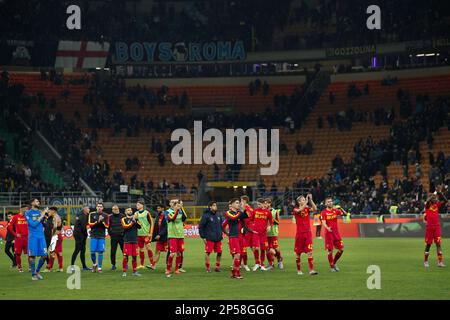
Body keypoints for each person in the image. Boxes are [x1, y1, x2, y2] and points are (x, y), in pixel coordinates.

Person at [222, 198, 252, 279]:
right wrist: (227, 233)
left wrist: (245, 208)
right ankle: (237, 273)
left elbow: (248, 215)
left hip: (241, 236)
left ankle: (233, 273)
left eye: (239, 203)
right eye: (236, 203)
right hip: (234, 236)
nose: (238, 204)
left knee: (239, 255)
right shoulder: (228, 213)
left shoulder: (239, 213)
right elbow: (233, 218)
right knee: (237, 254)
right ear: (231, 205)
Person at [293, 195, 318, 275]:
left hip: (308, 233)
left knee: (310, 252)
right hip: (300, 234)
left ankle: (311, 270)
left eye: (304, 199)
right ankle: (299, 270)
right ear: (299, 202)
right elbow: (300, 209)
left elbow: (315, 209)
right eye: (303, 200)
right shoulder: (296, 209)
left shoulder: (307, 208)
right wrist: (306, 202)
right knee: (298, 253)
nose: (304, 201)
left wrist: (310, 200)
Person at [423, 186, 448, 268]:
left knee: (438, 244)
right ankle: (426, 261)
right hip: (429, 227)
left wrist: (439, 193)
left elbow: (445, 201)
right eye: (433, 198)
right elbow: (428, 200)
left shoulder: (437, 205)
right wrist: (434, 193)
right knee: (428, 244)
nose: (435, 199)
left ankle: (440, 262)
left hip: (436, 227)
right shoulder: (427, 206)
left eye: (435, 198)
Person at [25, 199, 48, 280]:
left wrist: (46, 219)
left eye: (39, 201)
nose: (38, 202)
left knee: (44, 255)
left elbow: (44, 225)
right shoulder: (28, 213)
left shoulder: (40, 212)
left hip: (41, 236)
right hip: (33, 237)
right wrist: (41, 215)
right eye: (37, 201)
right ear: (32, 203)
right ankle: (33, 275)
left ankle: (37, 271)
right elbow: (33, 224)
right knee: (32, 256)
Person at [321, 197, 345, 272]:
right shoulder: (324, 212)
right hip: (329, 234)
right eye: (328, 202)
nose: (330, 203)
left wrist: (341, 208)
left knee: (341, 249)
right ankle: (331, 267)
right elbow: (323, 222)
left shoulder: (335, 210)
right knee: (330, 251)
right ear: (325, 204)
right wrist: (327, 228)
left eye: (331, 201)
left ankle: (334, 263)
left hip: (336, 233)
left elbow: (345, 214)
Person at [199, 201, 223, 273]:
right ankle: (208, 268)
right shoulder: (205, 216)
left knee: (219, 252)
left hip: (218, 237)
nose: (215, 206)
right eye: (214, 205)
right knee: (208, 252)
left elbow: (220, 226)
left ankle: (217, 267)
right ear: (210, 207)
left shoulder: (218, 215)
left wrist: (221, 235)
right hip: (209, 238)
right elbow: (201, 227)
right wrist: (203, 237)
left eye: (216, 205)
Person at [251, 198, 273, 271]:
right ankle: (257, 263)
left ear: (264, 204)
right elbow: (251, 220)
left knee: (263, 249)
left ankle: (262, 264)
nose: (258, 205)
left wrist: (270, 226)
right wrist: (252, 227)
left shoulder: (268, 212)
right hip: (256, 233)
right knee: (256, 248)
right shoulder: (255, 211)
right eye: (257, 204)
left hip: (263, 233)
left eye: (259, 204)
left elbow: (271, 221)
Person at [165, 200, 186, 277]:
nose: (178, 207)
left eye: (178, 205)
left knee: (179, 253)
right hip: (172, 235)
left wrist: (182, 208)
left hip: (180, 235)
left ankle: (177, 269)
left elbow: (184, 218)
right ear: (173, 206)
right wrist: (177, 211)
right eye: (176, 205)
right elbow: (172, 219)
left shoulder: (180, 212)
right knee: (172, 253)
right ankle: (168, 269)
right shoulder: (167, 212)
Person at [88, 202, 110, 273]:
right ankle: (95, 264)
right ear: (96, 207)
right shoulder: (92, 214)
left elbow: (107, 226)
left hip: (101, 236)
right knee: (92, 252)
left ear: (103, 208)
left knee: (101, 252)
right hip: (93, 235)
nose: (99, 207)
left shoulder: (106, 215)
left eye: (101, 206)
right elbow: (90, 224)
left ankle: (99, 268)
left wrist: (102, 220)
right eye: (98, 206)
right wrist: (98, 221)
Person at [8, 205, 29, 272]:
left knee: (30, 253)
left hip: (27, 238)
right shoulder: (15, 217)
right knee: (18, 253)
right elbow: (9, 226)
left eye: (27, 209)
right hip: (19, 238)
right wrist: (15, 234)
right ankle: (20, 267)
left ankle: (30, 267)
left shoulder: (27, 217)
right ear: (21, 209)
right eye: (25, 209)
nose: (26, 210)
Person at [121, 207, 142, 277]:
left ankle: (135, 271)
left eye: (130, 210)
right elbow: (125, 226)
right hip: (127, 240)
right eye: (128, 210)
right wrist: (132, 221)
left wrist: (135, 220)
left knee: (135, 256)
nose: (130, 211)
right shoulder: (123, 219)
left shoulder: (135, 219)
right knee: (125, 256)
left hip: (134, 240)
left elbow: (140, 226)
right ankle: (124, 271)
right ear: (125, 212)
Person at [135, 200, 155, 269]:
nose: (136, 206)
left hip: (146, 234)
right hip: (139, 234)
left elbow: (152, 223)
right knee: (141, 249)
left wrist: (150, 233)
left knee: (148, 247)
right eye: (136, 205)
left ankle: (152, 264)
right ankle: (142, 264)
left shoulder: (147, 213)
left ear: (142, 205)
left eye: (138, 205)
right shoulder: (136, 213)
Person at [70, 206, 90, 271]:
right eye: (88, 208)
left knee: (83, 250)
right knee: (77, 250)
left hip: (81, 235)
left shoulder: (83, 215)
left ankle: (84, 266)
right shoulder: (82, 215)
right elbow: (83, 226)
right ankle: (72, 266)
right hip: (79, 235)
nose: (89, 209)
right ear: (84, 209)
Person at [266, 198, 283, 270]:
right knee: (267, 249)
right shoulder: (263, 211)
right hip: (265, 233)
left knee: (276, 248)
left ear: (270, 204)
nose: (265, 204)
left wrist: (271, 220)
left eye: (267, 203)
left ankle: (279, 260)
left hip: (273, 232)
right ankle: (271, 264)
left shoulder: (274, 211)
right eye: (265, 203)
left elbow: (278, 222)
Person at [44, 207, 63, 272]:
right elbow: (61, 226)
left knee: (52, 252)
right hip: (59, 236)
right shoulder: (58, 216)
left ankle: (48, 268)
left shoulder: (55, 217)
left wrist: (53, 233)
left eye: (50, 211)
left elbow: (54, 226)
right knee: (59, 252)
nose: (49, 212)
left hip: (55, 236)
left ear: (53, 211)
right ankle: (60, 268)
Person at [150, 204, 168, 269]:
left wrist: (160, 234)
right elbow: (156, 226)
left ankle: (168, 266)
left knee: (168, 253)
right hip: (159, 238)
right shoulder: (158, 215)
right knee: (157, 251)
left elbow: (166, 228)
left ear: (163, 208)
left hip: (165, 238)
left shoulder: (166, 215)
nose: (158, 210)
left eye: (159, 208)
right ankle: (153, 265)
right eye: (157, 208)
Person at [108, 205, 125, 271]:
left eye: (117, 209)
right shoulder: (110, 217)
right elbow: (108, 227)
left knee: (124, 251)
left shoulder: (122, 216)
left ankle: (125, 263)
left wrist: (124, 233)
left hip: (122, 236)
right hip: (114, 237)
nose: (116, 210)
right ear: (112, 210)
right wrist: (111, 234)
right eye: (114, 209)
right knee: (113, 251)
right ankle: (113, 265)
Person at [240, 195, 254, 271]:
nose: (240, 202)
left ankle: (243, 264)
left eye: (241, 201)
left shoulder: (246, 208)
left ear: (244, 201)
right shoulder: (249, 208)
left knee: (244, 247)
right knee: (252, 246)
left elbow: (248, 219)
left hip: (247, 229)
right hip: (250, 228)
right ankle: (257, 263)